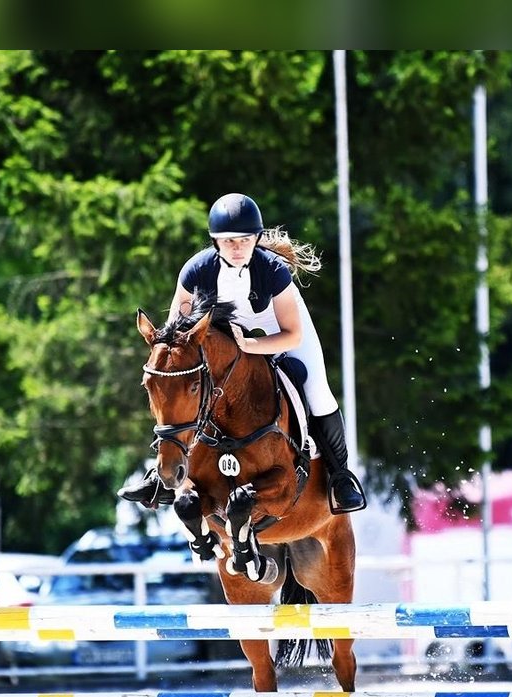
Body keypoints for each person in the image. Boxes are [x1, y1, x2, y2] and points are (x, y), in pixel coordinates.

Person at [120, 192, 367, 514]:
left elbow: (292, 335)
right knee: (177, 389)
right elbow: (176, 332)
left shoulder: (273, 270)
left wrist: (251, 346)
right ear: (215, 241)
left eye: (244, 240)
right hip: (225, 336)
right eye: (228, 241)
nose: (236, 248)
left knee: (318, 392)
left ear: (257, 239)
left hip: (276, 330)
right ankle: (159, 474)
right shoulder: (196, 270)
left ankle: (340, 476)